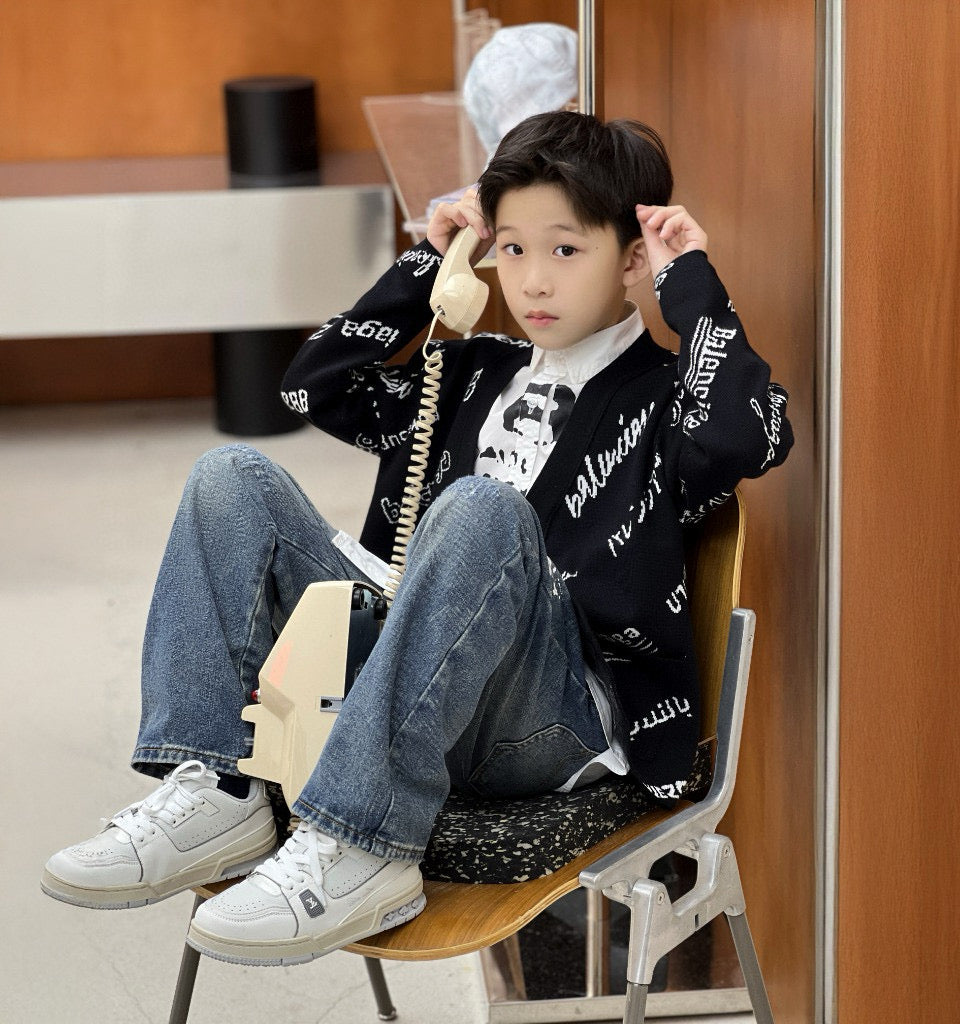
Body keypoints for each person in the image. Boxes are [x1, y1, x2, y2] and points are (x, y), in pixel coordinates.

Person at [42, 111, 793, 967]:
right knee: (230, 480)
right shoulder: (472, 370)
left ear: (631, 260)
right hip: (400, 679)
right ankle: (219, 787)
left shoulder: (664, 399)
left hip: (548, 722)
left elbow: (748, 437)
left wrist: (688, 281)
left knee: (480, 509)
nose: (533, 280)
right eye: (511, 250)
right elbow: (316, 387)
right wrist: (427, 262)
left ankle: (365, 843)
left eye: (565, 250)